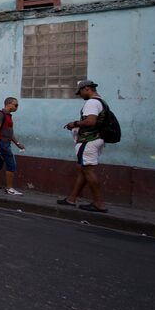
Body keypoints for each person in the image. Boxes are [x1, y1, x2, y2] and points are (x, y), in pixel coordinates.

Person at [58, 80, 108, 212]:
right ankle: (71, 199)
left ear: (87, 88)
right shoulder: (101, 102)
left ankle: (99, 203)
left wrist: (74, 124)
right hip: (96, 139)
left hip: (88, 140)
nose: (80, 95)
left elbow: (90, 121)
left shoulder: (92, 102)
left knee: (88, 171)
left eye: (80, 92)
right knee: (83, 170)